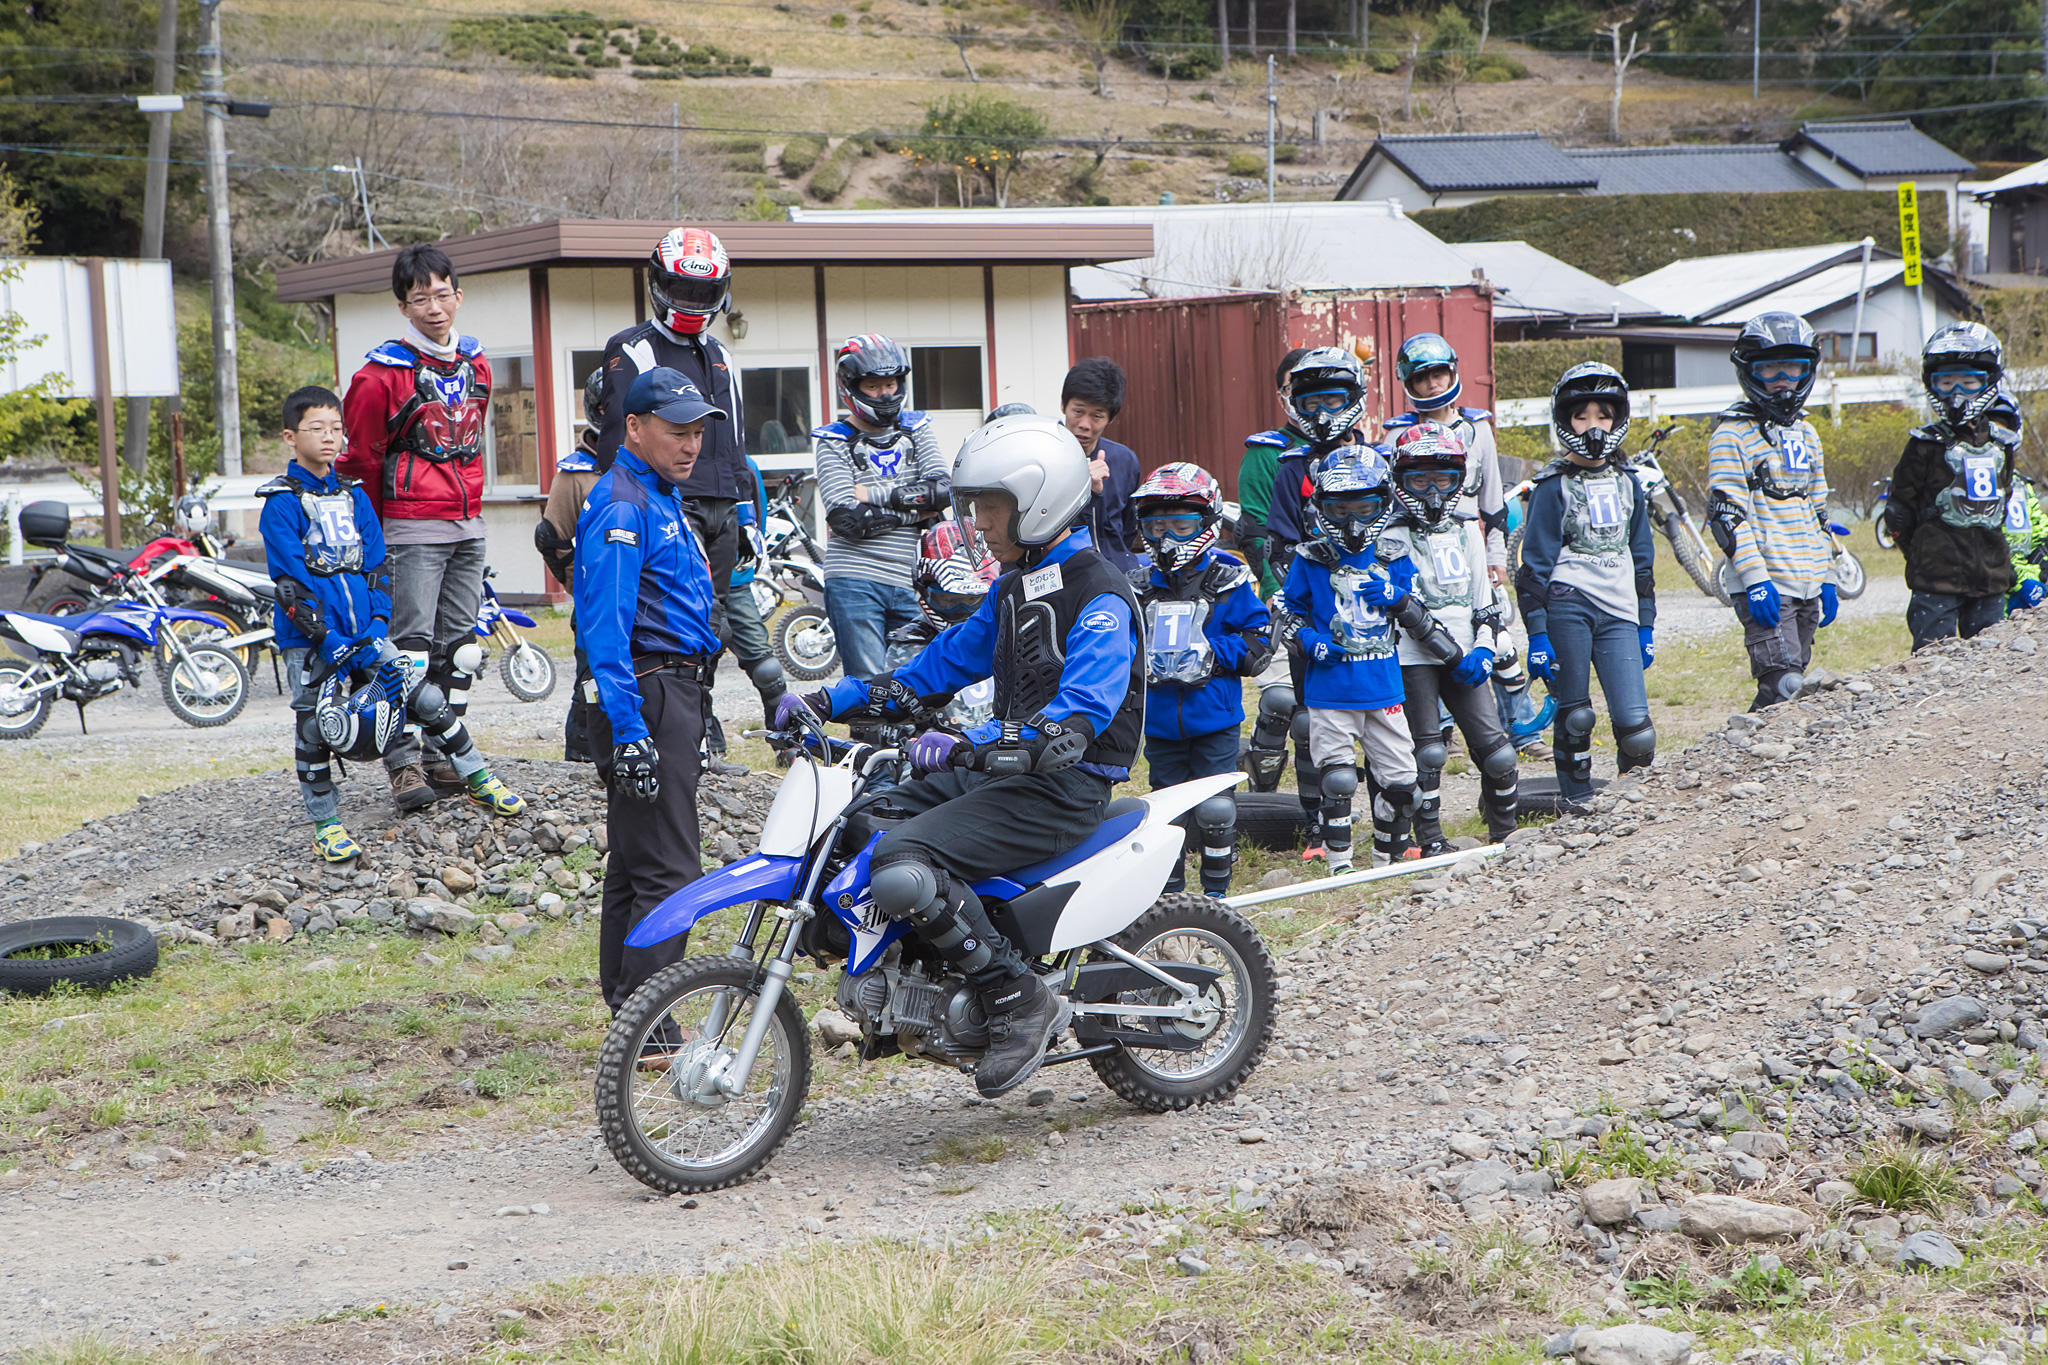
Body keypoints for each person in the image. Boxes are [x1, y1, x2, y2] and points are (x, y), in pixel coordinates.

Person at [775, 413, 1142, 1099]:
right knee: (864, 817)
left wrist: (972, 744)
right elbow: (931, 670)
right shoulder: (1014, 588)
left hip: (1064, 786)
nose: (979, 521)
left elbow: (1076, 719)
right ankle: (904, 982)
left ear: (1039, 501)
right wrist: (830, 699)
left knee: (901, 863)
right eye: (975, 506)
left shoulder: (1099, 595)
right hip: (1005, 772)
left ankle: (1016, 998)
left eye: (991, 506)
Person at [262, 386, 524, 863]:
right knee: (314, 726)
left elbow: (378, 565)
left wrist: (378, 623)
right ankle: (326, 822)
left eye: (336, 429)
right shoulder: (280, 503)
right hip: (311, 637)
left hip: (367, 632)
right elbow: (290, 586)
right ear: (289, 436)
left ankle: (479, 778)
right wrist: (328, 640)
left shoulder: (354, 494)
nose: (329, 438)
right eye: (316, 429)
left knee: (424, 696)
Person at [576, 367, 724, 1048]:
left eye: (697, 432)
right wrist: (632, 730)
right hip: (649, 691)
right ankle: (651, 1032)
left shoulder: (661, 496)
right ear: (634, 428)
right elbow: (603, 627)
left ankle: (629, 1014)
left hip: (674, 689)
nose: (690, 445)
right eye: (676, 430)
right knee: (670, 869)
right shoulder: (624, 503)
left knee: (637, 862)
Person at [336, 243, 492, 812]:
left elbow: (473, 442)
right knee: (408, 654)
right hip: (407, 526)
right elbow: (359, 461)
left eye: (442, 293)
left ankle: (441, 753)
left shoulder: (476, 363)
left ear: (458, 294)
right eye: (419, 297)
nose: (434, 306)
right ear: (402, 305)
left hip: (466, 522)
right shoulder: (379, 376)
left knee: (461, 652)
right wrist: (372, 538)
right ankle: (400, 764)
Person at [592, 228, 747, 652]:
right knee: (679, 616)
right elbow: (616, 439)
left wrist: (745, 510)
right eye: (683, 289)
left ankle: (698, 708)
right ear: (659, 285)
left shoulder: (721, 353)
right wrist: (636, 506)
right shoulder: (632, 347)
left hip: (724, 507)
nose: (693, 302)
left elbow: (735, 436)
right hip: (673, 501)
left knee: (719, 623)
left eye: (704, 292)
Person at [1516, 363, 1657, 808]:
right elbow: (1532, 567)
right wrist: (1537, 632)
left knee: (1638, 730)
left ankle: (1631, 806)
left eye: (1603, 415)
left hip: (1619, 612)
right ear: (1564, 420)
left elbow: (1643, 560)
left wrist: (1646, 623)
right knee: (1576, 715)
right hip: (1567, 606)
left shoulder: (1631, 484)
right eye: (1581, 416)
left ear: (1618, 419)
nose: (1593, 426)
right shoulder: (1550, 486)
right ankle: (1576, 803)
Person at [1130, 462, 1274, 897]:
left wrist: (1210, 655)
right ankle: (1170, 895)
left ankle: (1216, 894)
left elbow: (1258, 642)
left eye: (1180, 523)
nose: (1167, 536)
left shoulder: (1229, 580)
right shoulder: (1137, 585)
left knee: (1214, 808)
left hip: (1214, 718)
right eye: (1156, 526)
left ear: (1206, 522)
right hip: (1159, 723)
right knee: (1166, 810)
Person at [1281, 451, 1429, 873]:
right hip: (1330, 690)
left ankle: (1387, 857)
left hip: (1383, 686)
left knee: (1403, 785)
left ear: (1382, 504)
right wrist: (1312, 643)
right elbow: (1287, 613)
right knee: (1339, 779)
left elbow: (1420, 610)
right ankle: (1339, 862)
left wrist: (1397, 598)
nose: (1353, 521)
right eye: (1339, 509)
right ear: (1322, 508)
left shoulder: (1395, 555)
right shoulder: (1310, 558)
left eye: (1364, 508)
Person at [1259, 346, 1376, 859]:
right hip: (1317, 620)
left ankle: (1400, 819)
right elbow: (1279, 547)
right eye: (1310, 403)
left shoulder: (1381, 463)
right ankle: (1317, 826)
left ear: (1354, 399)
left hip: (1376, 614)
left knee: (1387, 714)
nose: (1322, 414)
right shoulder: (1292, 468)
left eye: (1333, 400)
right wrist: (1307, 611)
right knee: (1311, 719)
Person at [1382, 422, 1518, 851]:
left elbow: (1486, 597)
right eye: (1420, 479)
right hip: (1410, 657)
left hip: (1466, 652)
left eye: (1443, 478)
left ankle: (1505, 835)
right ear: (1400, 479)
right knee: (1427, 754)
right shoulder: (1389, 535)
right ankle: (1428, 840)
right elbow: (1403, 607)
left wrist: (1483, 646)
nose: (1432, 491)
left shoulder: (1467, 529)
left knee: (1498, 753)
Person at [1706, 313, 1839, 706]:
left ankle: (1778, 758)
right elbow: (1727, 516)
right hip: (1765, 580)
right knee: (1783, 686)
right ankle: (1751, 756)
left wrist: (1828, 574)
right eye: (1769, 370)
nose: (1783, 380)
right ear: (1750, 373)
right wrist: (1754, 579)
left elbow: (1819, 510)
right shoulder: (1732, 434)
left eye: (1793, 369)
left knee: (1797, 686)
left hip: (1807, 580)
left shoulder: (1808, 433)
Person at [811, 333, 950, 685]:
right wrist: (916, 511)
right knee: (869, 691)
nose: (885, 394)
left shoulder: (917, 427)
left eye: (890, 383)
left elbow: (944, 490)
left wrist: (874, 495)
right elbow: (847, 520)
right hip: (853, 580)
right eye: (873, 386)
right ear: (852, 386)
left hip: (913, 579)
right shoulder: (833, 439)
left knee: (920, 686)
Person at [1885, 322, 2019, 649]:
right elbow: (1899, 508)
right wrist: (1918, 552)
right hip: (1936, 579)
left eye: (1968, 382)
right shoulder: (1924, 443)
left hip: (1991, 574)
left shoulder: (2002, 443)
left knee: (1990, 661)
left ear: (1987, 382)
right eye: (1945, 382)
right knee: (1934, 660)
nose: (1956, 393)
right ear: (1932, 384)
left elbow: (2004, 499)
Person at [1382, 333, 1509, 584]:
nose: (1432, 384)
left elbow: (1493, 499)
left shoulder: (1478, 427)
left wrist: (1497, 555)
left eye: (1438, 374)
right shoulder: (1397, 435)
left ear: (1451, 373)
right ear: (1409, 383)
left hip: (1467, 536)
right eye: (1421, 378)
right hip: (1415, 541)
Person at [537, 367, 608, 763]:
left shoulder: (650, 462)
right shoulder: (577, 472)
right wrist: (580, 586)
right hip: (596, 601)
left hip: (648, 597)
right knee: (591, 681)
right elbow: (551, 537)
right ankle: (581, 757)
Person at [1235, 346, 1308, 597]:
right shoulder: (1265, 454)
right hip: (1294, 584)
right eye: (1294, 388)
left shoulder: (1354, 448)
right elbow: (1254, 530)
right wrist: (1273, 589)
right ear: (1281, 397)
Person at [1061, 357, 1144, 574]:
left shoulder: (1125, 461)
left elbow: (1128, 529)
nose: (1085, 425)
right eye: (1078, 412)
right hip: (1063, 575)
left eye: (1097, 416)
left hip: (1117, 574)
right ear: (1063, 406)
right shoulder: (1041, 457)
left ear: (1110, 419)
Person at [727, 454, 791, 731]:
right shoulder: (673, 458)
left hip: (736, 581)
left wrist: (744, 562)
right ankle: (707, 748)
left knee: (768, 670)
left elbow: (757, 522)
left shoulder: (743, 464)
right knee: (693, 670)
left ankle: (787, 741)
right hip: (689, 583)